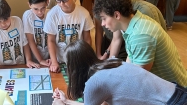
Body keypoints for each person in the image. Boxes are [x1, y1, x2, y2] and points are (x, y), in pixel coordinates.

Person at [93, 0, 187, 87]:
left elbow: (136, 81)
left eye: (104, 18)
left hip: (176, 93)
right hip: (164, 87)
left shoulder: (140, 35)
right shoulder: (134, 23)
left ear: (117, 15)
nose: (103, 24)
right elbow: (130, 65)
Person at [52, 40, 187, 105]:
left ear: (74, 68)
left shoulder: (94, 83)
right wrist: (67, 101)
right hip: (178, 92)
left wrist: (61, 103)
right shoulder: (113, 61)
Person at [92, 0, 166, 61]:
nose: (102, 23)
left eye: (104, 18)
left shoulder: (144, 15)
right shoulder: (121, 15)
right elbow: (117, 39)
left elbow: (146, 62)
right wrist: (108, 62)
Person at [43, 0, 94, 73]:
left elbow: (87, 39)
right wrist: (54, 61)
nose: (61, 4)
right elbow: (51, 40)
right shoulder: (52, 15)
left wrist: (86, 58)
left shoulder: (84, 13)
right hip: (60, 60)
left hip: (78, 59)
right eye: (58, 0)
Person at [22, 0, 50, 67]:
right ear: (29, 5)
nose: (40, 12)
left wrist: (52, 58)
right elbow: (30, 40)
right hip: (35, 58)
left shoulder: (50, 14)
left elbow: (53, 39)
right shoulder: (27, 16)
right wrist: (40, 60)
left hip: (49, 56)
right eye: (36, 9)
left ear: (47, 3)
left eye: (43, 8)